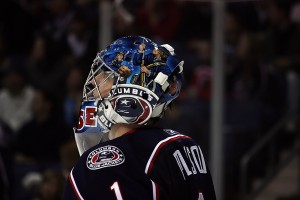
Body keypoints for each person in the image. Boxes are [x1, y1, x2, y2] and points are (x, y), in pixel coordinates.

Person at [62, 36, 216, 200]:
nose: (95, 82)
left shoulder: (103, 161)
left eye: (108, 75)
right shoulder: (185, 144)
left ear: (131, 87)